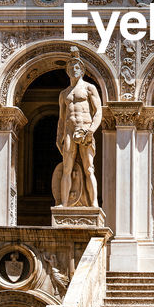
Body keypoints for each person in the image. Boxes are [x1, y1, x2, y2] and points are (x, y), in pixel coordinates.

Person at [56, 49, 103, 207]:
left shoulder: (89, 88)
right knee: (67, 168)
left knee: (89, 168)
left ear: (82, 70)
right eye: (70, 68)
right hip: (69, 131)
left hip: (84, 129)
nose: (73, 70)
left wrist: (91, 131)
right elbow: (62, 118)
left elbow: (98, 112)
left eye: (76, 67)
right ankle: (64, 204)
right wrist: (58, 137)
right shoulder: (64, 94)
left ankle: (94, 203)